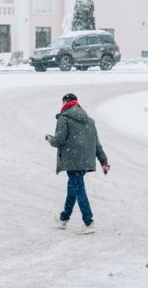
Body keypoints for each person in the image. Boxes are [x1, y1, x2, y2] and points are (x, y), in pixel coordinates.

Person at [45, 93, 110, 234]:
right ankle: (64, 219)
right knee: (73, 188)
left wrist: (50, 139)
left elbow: (59, 140)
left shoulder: (64, 118)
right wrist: (104, 161)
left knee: (78, 188)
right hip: (85, 160)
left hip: (72, 160)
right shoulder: (90, 121)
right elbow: (97, 144)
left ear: (65, 102)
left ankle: (88, 222)